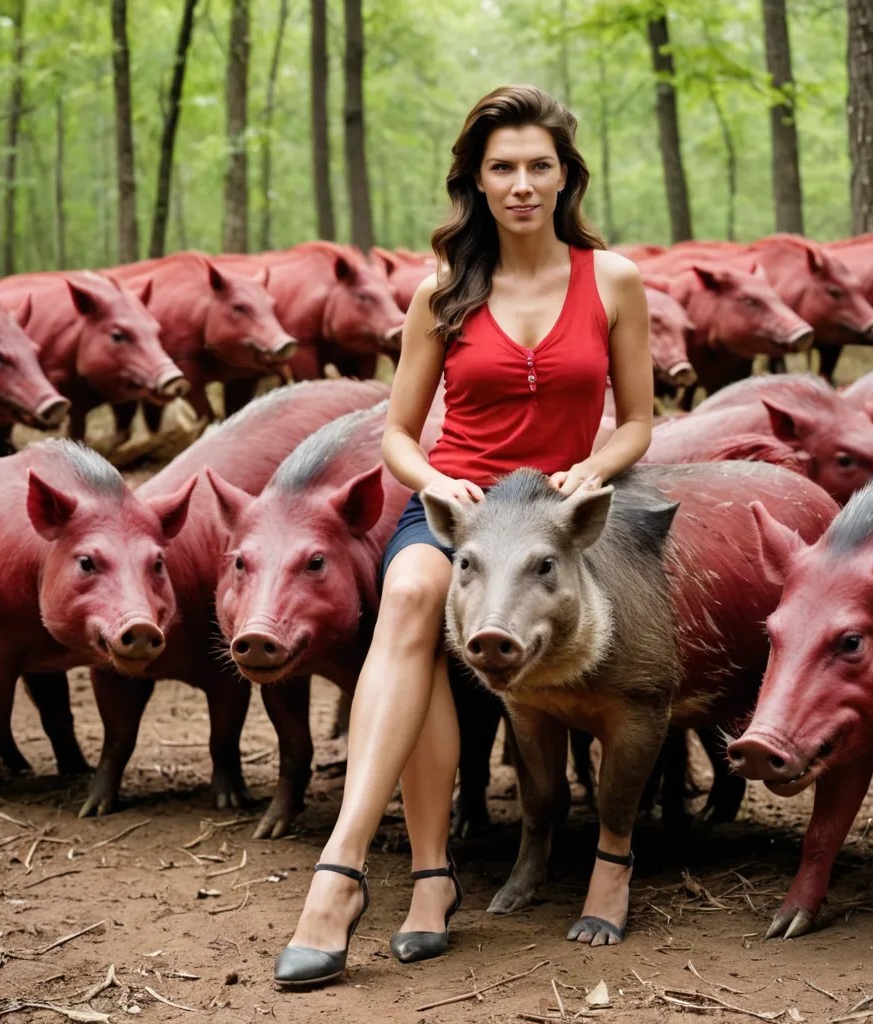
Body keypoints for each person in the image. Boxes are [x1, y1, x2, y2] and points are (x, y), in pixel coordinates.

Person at [274, 83, 654, 988]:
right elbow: (400, 432)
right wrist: (437, 481)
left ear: (565, 177)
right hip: (458, 505)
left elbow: (641, 419)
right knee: (410, 592)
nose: (522, 184)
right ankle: (360, 867)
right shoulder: (443, 290)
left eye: (538, 166)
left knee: (445, 609)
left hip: (559, 517)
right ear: (475, 182)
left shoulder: (615, 280)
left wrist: (598, 467)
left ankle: (428, 875)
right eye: (502, 168)